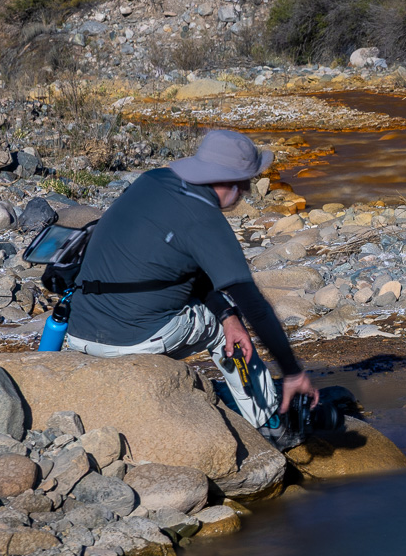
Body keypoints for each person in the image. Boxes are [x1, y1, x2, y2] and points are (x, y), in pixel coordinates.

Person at [62, 129, 318, 444]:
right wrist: (292, 372)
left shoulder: (152, 180)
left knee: (226, 317)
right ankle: (270, 424)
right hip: (130, 340)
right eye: (247, 183)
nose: (247, 192)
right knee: (228, 333)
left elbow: (178, 265)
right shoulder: (204, 218)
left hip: (79, 331)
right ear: (233, 183)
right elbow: (255, 306)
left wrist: (226, 314)